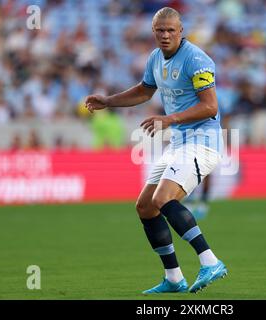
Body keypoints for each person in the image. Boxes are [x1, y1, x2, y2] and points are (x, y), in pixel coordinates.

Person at [85, 7, 227, 294]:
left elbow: (210, 106)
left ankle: (210, 261)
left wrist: (169, 119)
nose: (165, 35)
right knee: (146, 206)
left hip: (203, 141)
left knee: (163, 198)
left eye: (170, 30)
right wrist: (109, 101)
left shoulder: (196, 59)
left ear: (181, 31)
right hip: (179, 143)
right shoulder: (154, 59)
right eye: (160, 30)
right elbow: (144, 90)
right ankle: (174, 278)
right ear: (153, 32)